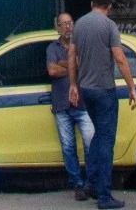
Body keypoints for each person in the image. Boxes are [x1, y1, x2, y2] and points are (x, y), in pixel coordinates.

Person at [68, 0, 136, 210]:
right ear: (108, 6)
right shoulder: (109, 26)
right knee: (106, 141)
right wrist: (132, 88)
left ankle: (91, 184)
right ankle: (104, 196)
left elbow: (71, 56)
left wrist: (73, 84)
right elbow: (120, 58)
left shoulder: (79, 25)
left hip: (86, 90)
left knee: (98, 137)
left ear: (91, 3)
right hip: (105, 90)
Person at [47, 12, 95, 200]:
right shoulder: (52, 47)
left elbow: (86, 68)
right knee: (68, 147)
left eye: (70, 23)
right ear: (57, 27)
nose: (68, 27)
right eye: (63, 24)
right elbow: (52, 70)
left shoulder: (81, 46)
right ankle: (78, 184)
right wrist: (73, 65)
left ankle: (92, 183)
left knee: (90, 143)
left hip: (83, 104)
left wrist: (64, 65)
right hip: (61, 105)